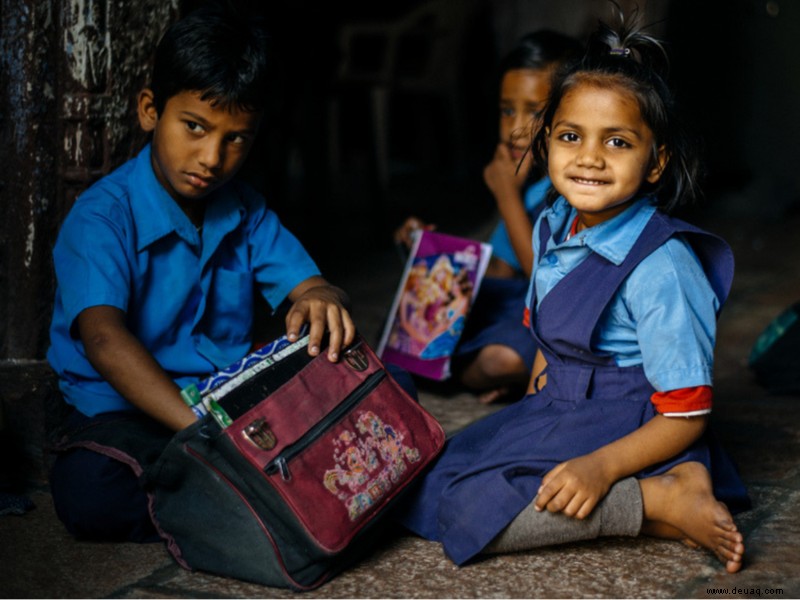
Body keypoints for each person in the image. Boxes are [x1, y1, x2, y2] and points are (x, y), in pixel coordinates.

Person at [396, 6, 750, 574]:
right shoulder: (554, 221)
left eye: (617, 142)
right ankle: (664, 504)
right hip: (561, 404)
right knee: (424, 481)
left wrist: (603, 469)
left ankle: (657, 496)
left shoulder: (663, 266)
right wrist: (538, 390)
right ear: (545, 142)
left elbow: (686, 415)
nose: (588, 157)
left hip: (628, 425)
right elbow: (550, 323)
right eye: (569, 135)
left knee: (467, 510)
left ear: (656, 161)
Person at [46, 5, 360, 542]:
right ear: (150, 110)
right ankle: (262, 495)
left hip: (225, 400)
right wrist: (203, 430)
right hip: (128, 412)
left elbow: (309, 284)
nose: (212, 157)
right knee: (90, 490)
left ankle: (241, 492)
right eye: (195, 127)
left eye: (236, 138)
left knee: (378, 383)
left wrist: (319, 298)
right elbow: (102, 337)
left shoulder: (246, 210)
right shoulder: (102, 216)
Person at [394, 31, 582, 403]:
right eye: (507, 110)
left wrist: (507, 196)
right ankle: (445, 364)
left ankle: (460, 375)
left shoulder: (578, 189)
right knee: (440, 312)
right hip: (520, 306)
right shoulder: (532, 184)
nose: (514, 129)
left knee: (504, 359)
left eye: (535, 111)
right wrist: (431, 253)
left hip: (560, 319)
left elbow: (550, 286)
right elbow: (501, 268)